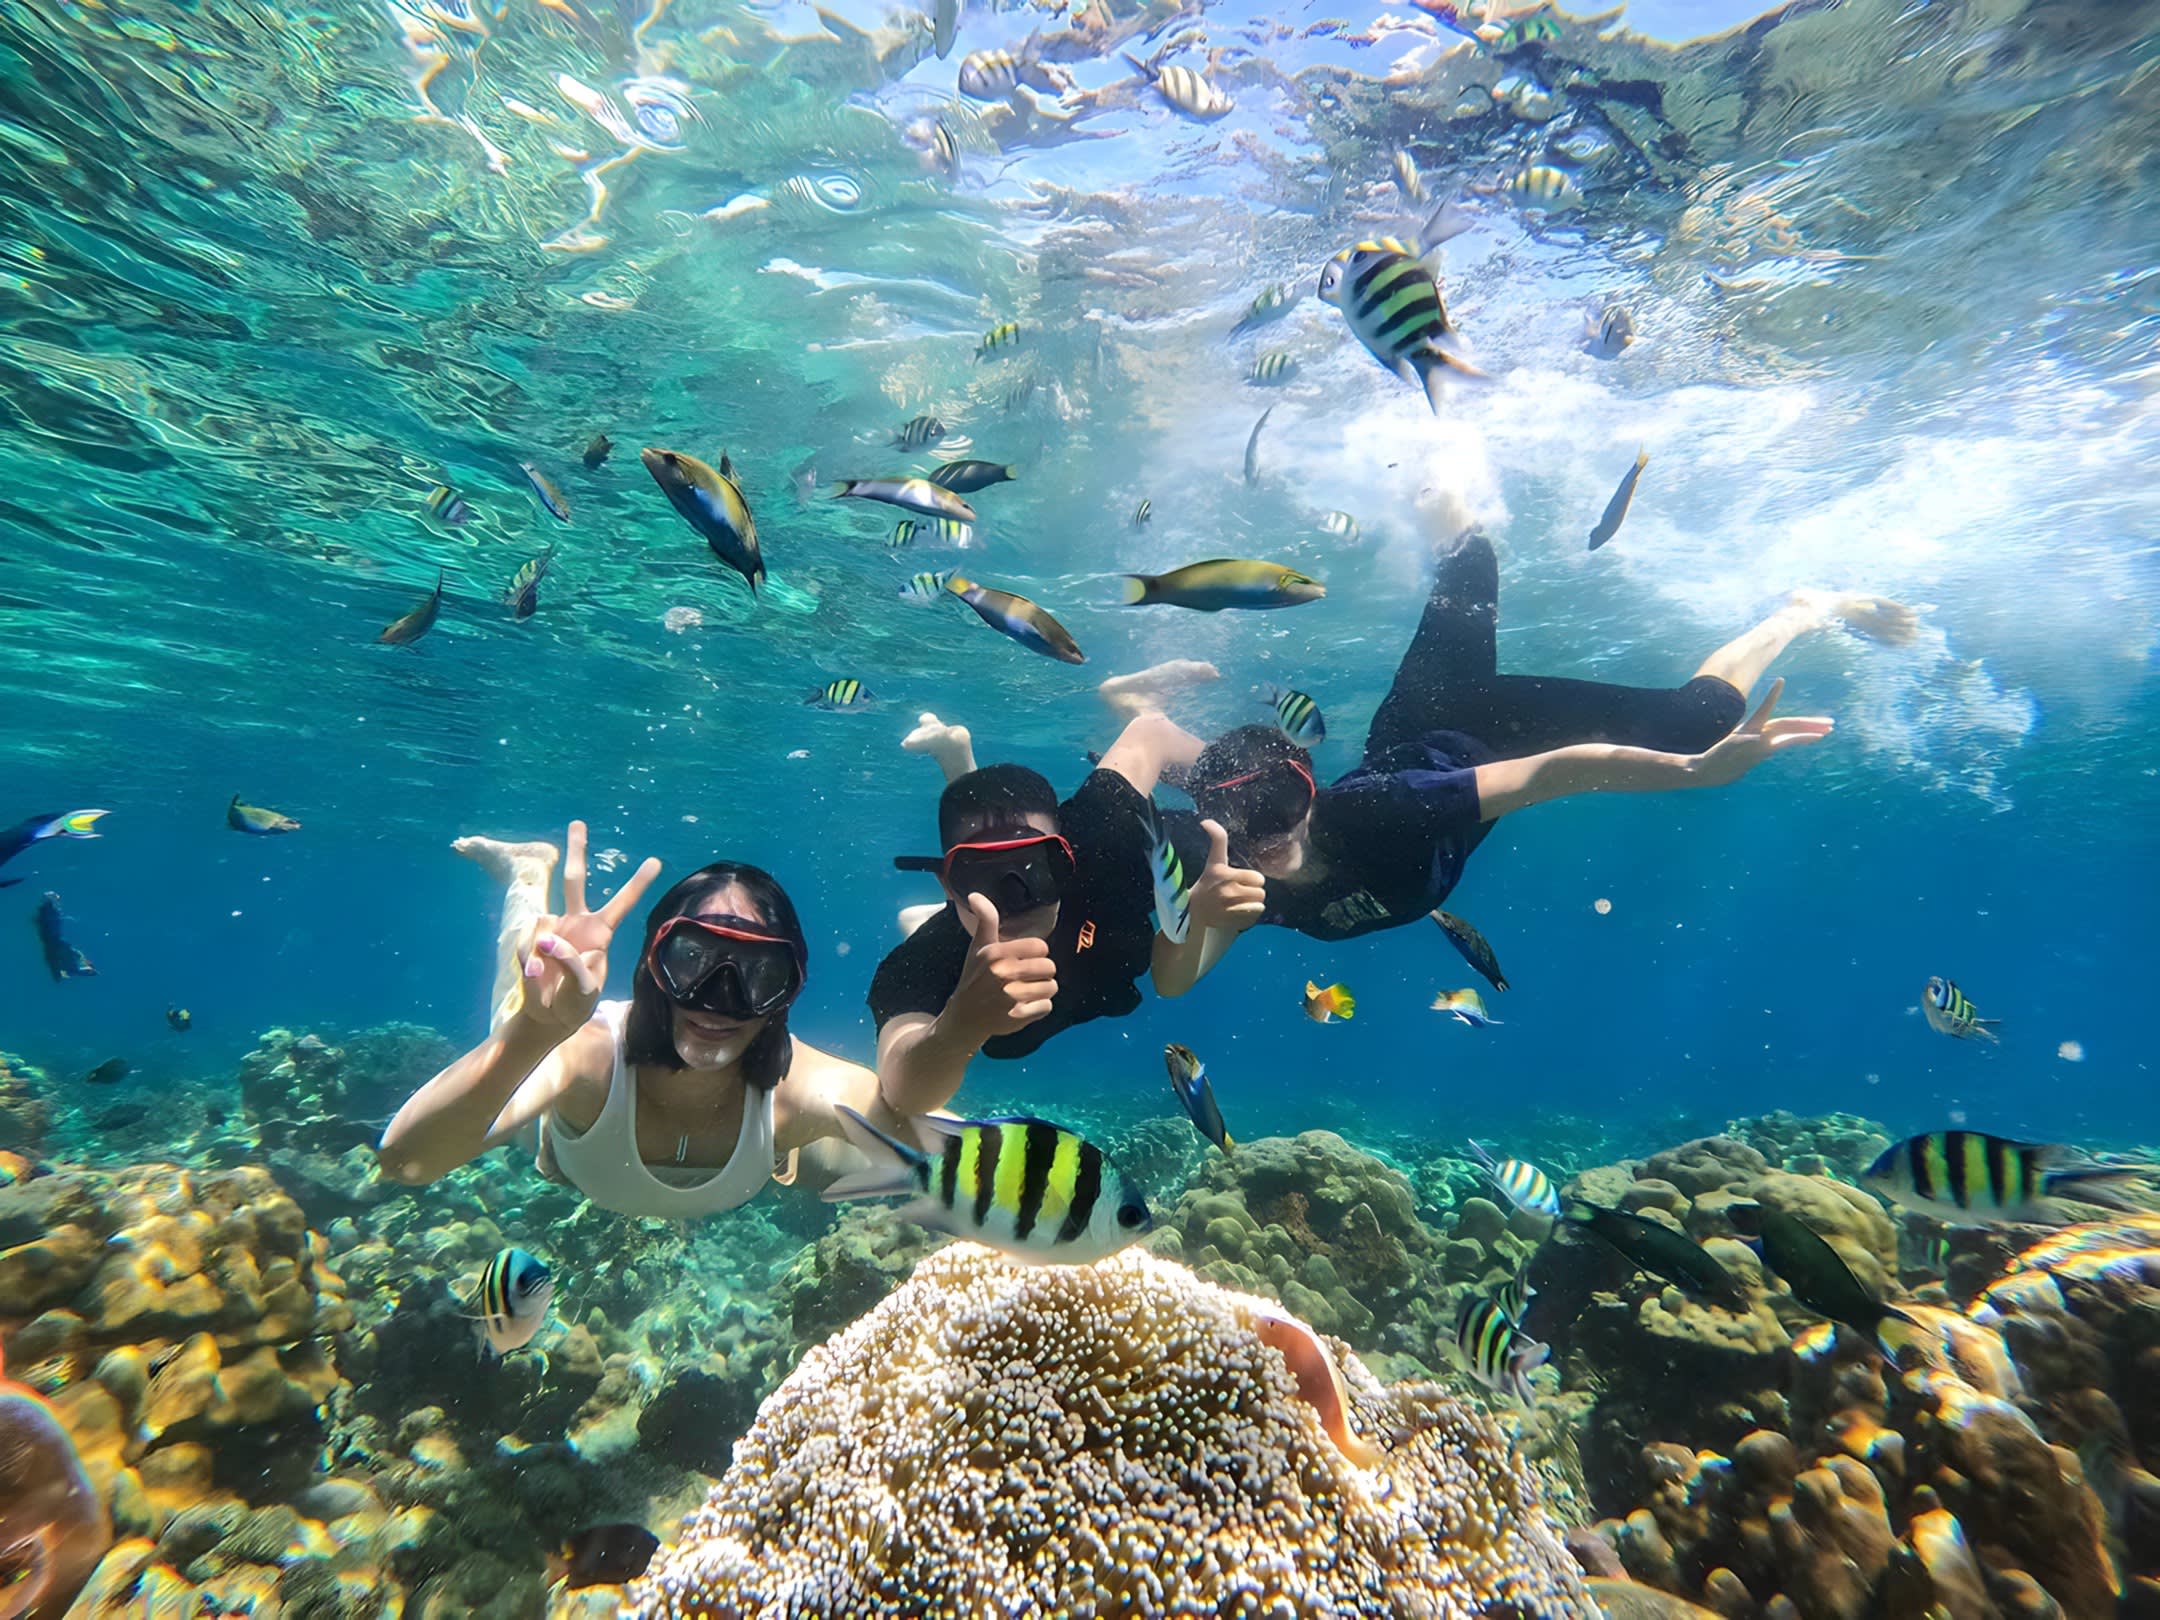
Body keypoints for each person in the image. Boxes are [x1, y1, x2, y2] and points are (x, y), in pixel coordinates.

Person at [1151, 520, 1917, 990]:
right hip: (1418, 737)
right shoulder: (1242, 884)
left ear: (1310, 794)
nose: (1267, 844)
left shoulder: (1377, 813)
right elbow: (1174, 983)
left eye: (1279, 812)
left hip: (1480, 725)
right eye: (1242, 829)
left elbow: (1551, 772)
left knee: (1699, 723)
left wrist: (1695, 771)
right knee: (1470, 572)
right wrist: (1190, 921)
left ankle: (1803, 610)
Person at [378, 822, 951, 1218]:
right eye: (691, 959)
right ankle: (527, 876)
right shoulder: (581, 1055)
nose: (718, 999)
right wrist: (538, 1031)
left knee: (878, 1164)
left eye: (758, 973)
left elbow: (965, 1147)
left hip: (768, 1148)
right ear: (652, 966)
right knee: (525, 988)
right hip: (560, 1132)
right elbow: (406, 1163)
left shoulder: (799, 1086)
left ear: (787, 991)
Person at [868, 706, 1205, 1102]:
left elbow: (1151, 732)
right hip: (961, 941)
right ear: (947, 884)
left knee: (988, 859)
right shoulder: (927, 962)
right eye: (979, 877)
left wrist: (1244, 778)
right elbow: (902, 1091)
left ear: (1067, 859)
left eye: (1036, 870)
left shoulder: (1102, 840)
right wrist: (957, 1027)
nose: (1013, 902)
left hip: (1073, 905)